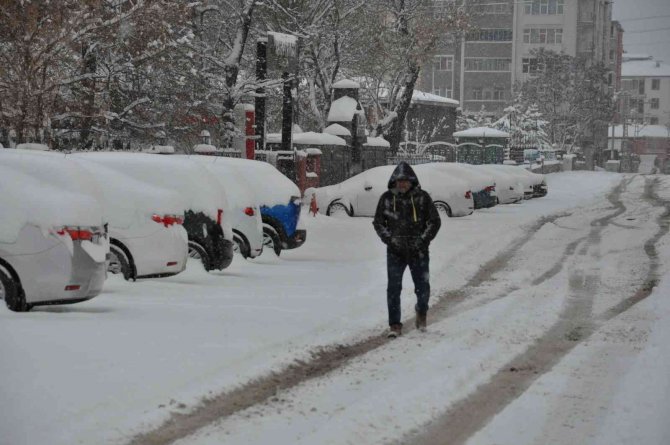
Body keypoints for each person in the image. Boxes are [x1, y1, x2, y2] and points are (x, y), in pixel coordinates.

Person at [373, 162, 441, 338]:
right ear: (394, 182)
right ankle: (395, 324)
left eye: (405, 181)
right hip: (395, 251)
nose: (402, 184)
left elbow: (434, 221)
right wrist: (390, 240)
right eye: (399, 181)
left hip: (418, 251)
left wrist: (422, 241)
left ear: (412, 181)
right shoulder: (387, 198)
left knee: (422, 286)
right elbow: (379, 223)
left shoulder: (422, 198)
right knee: (393, 288)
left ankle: (421, 312)